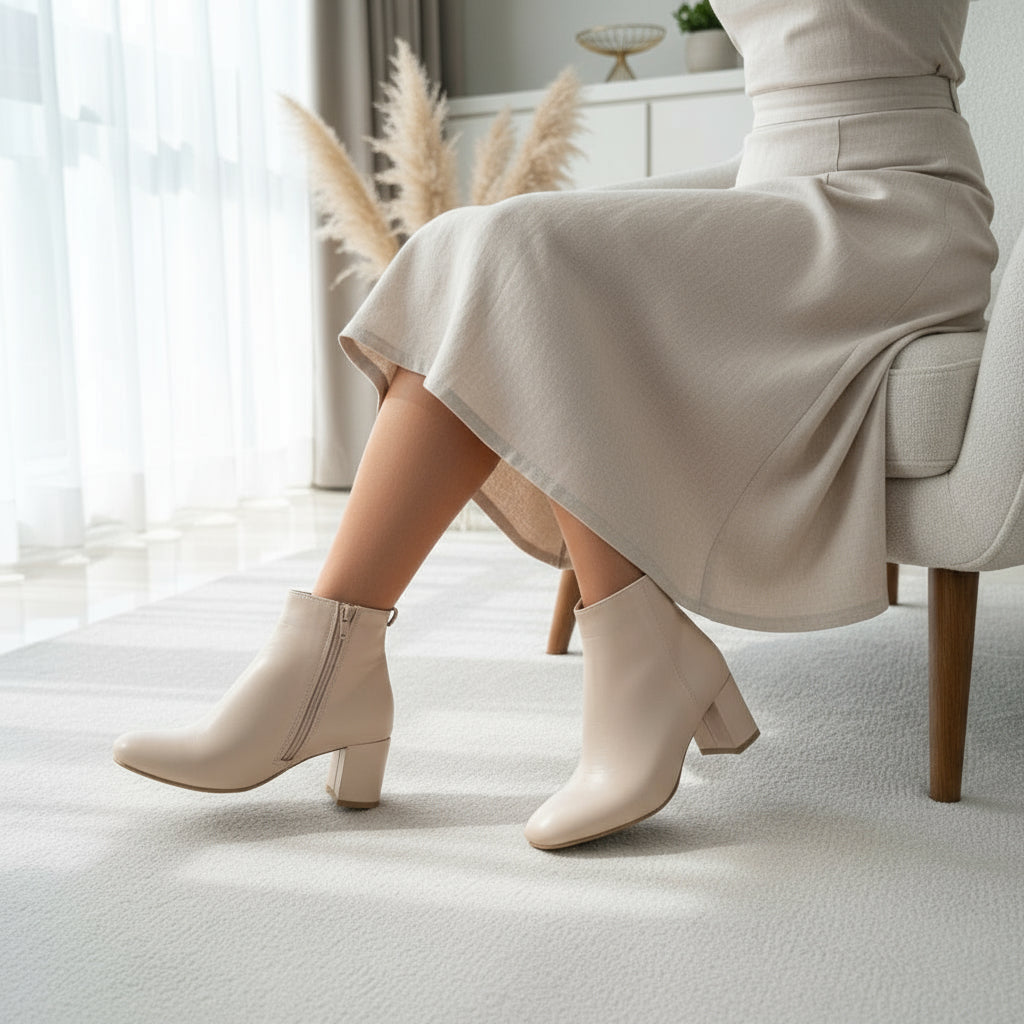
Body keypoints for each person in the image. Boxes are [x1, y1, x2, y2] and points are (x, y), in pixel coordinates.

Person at [112, 0, 998, 850]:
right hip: (769, 185)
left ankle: (569, 664)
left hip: (888, 210)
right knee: (465, 248)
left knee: (527, 255)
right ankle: (334, 657)